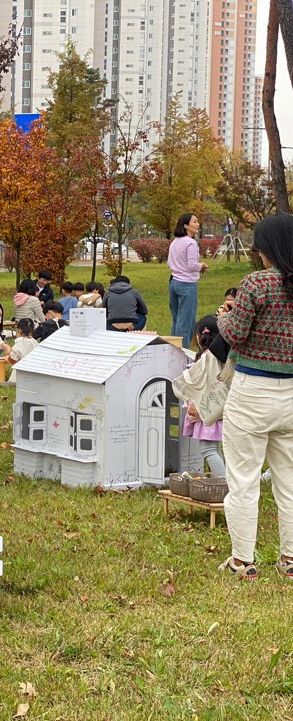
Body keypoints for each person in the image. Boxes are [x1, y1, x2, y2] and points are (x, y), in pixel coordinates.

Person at [216, 213, 293, 581]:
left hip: (252, 393)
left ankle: (243, 561)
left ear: (267, 247)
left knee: (244, 478)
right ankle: (290, 559)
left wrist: (223, 317)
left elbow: (236, 333)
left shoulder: (256, 284)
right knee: (290, 481)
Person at [181, 316, 225, 479]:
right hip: (217, 409)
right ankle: (225, 481)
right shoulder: (220, 356)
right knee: (214, 448)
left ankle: (224, 484)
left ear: (198, 337)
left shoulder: (204, 359)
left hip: (205, 411)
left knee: (208, 449)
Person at [168, 212, 209, 348]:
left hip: (173, 283)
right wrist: (201, 265)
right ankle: (182, 354)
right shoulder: (190, 243)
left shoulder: (174, 242)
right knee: (186, 323)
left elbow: (169, 263)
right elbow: (192, 265)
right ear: (186, 225)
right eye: (194, 221)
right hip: (187, 285)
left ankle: (172, 350)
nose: (197, 224)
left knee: (177, 321)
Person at [7, 319, 38, 383]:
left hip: (19, 376)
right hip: (35, 374)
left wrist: (7, 357)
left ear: (19, 330)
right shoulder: (35, 342)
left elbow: (13, 360)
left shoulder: (18, 344)